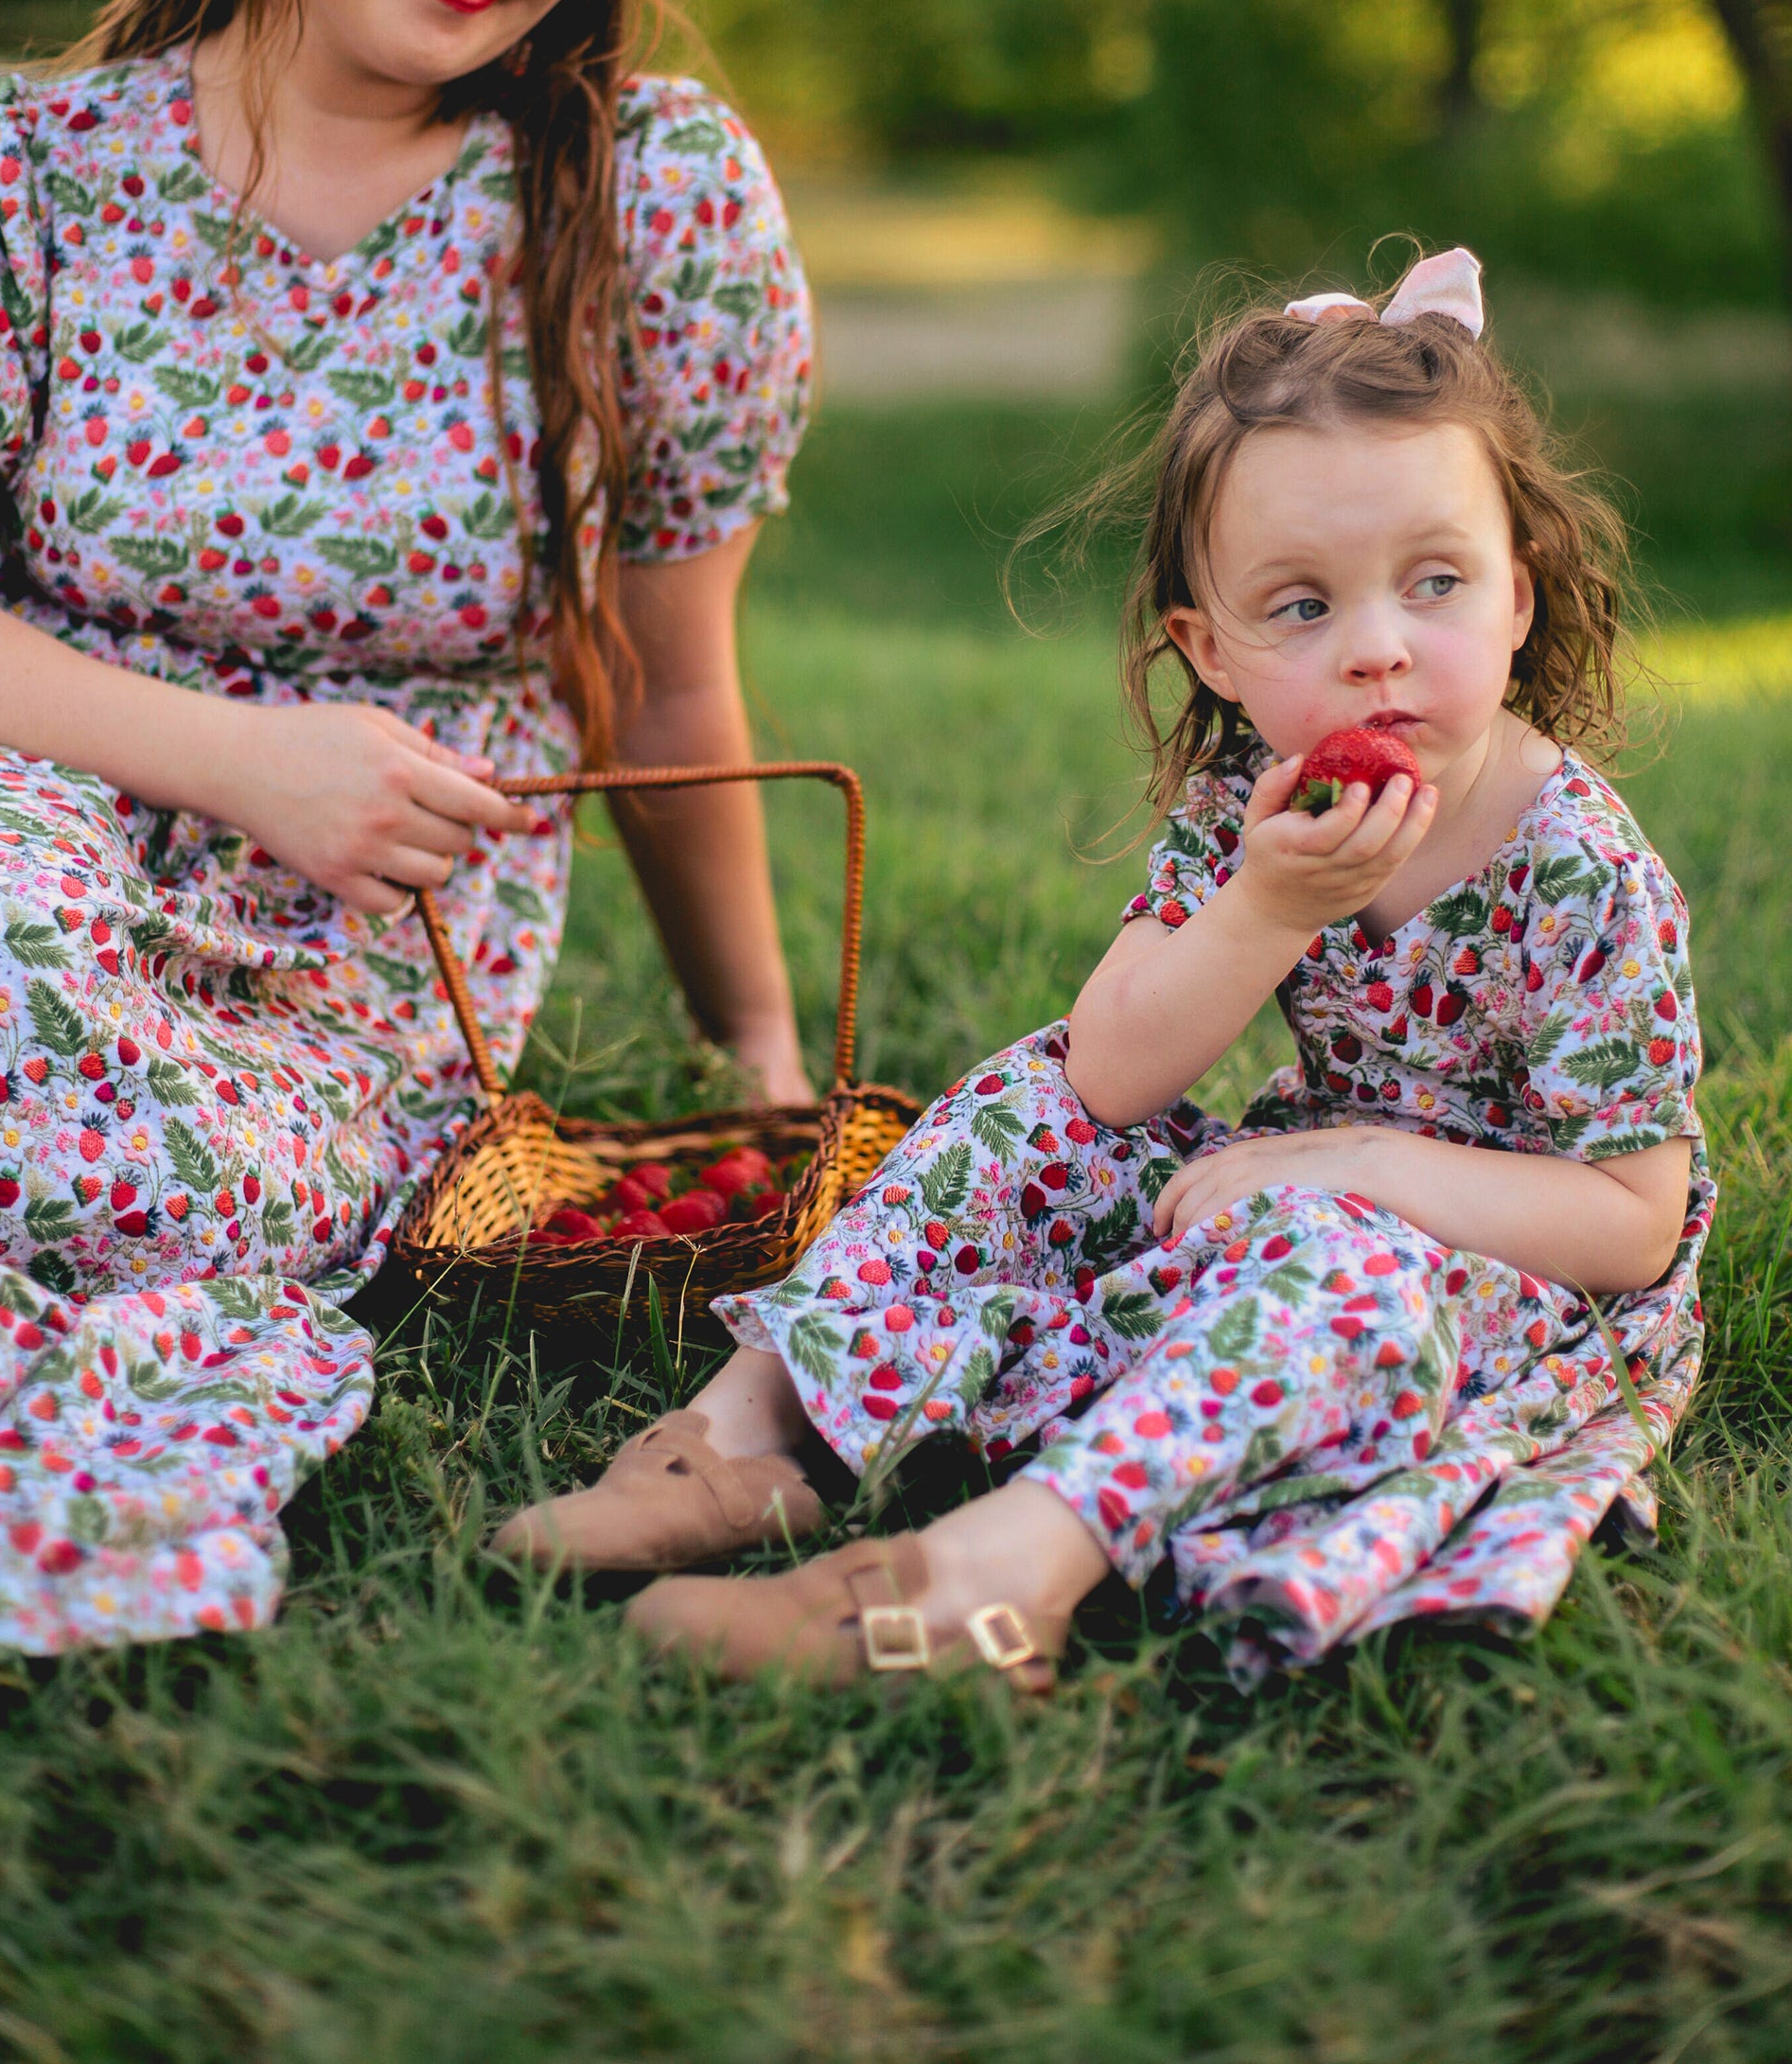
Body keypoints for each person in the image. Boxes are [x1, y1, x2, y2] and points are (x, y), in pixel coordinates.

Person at [0, 0, 814, 1660]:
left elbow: (674, 676)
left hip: (370, 936)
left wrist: (765, 1055)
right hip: (32, 807)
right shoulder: (27, 172)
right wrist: (243, 752)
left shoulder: (646, 198)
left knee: (75, 1116)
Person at [499, 248, 1712, 1691]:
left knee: (1339, 1267)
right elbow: (1114, 1071)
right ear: (1210, 650)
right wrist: (1263, 905)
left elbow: (1631, 1221)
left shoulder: (1575, 866)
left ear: (1518, 590)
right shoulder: (1256, 819)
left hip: (1518, 1265)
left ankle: (997, 1579)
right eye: (1303, 607)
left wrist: (1351, 1168)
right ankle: (761, 1427)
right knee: (1033, 1090)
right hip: (1308, 1182)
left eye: (1433, 582)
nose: (1378, 649)